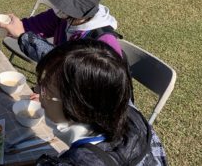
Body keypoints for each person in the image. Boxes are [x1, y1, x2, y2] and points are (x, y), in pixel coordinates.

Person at [35, 40, 168, 166]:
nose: (36, 90)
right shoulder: (129, 114)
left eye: (45, 89)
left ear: (77, 105)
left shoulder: (79, 162)